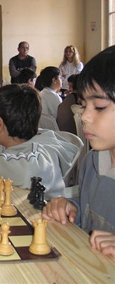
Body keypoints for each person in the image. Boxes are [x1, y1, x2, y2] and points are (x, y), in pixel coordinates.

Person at [42, 46, 115, 260]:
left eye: (99, 107)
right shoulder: (92, 161)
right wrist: (70, 208)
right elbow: (91, 217)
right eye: (84, 106)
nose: (84, 117)